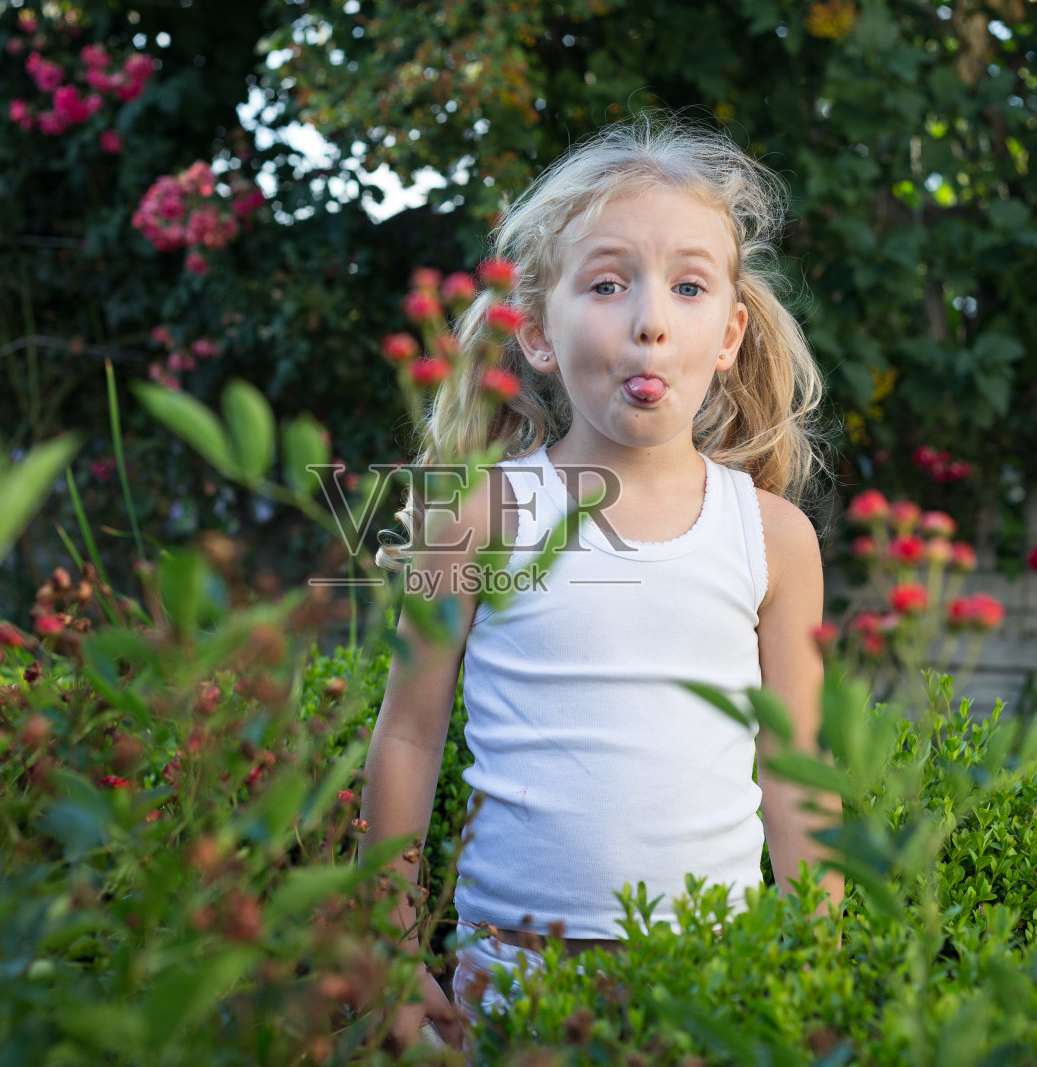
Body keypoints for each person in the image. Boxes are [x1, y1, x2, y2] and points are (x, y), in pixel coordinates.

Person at [361, 115, 844, 1055]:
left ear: (731, 333)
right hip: (512, 978)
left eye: (690, 286)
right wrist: (389, 945)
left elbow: (797, 772)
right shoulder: (478, 517)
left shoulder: (772, 539)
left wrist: (824, 959)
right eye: (609, 283)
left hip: (715, 972)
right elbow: (409, 732)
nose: (650, 319)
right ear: (539, 331)